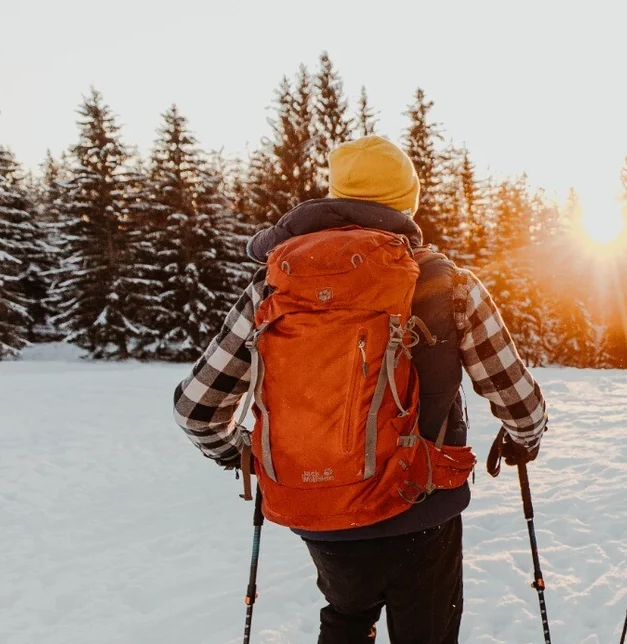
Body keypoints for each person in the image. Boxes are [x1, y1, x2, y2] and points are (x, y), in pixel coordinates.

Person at [173, 136, 548, 644]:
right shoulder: (448, 284)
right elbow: (519, 402)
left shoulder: (274, 286)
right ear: (407, 203)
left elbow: (197, 409)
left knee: (347, 614)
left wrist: (245, 453)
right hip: (423, 506)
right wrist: (524, 437)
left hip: (319, 509)